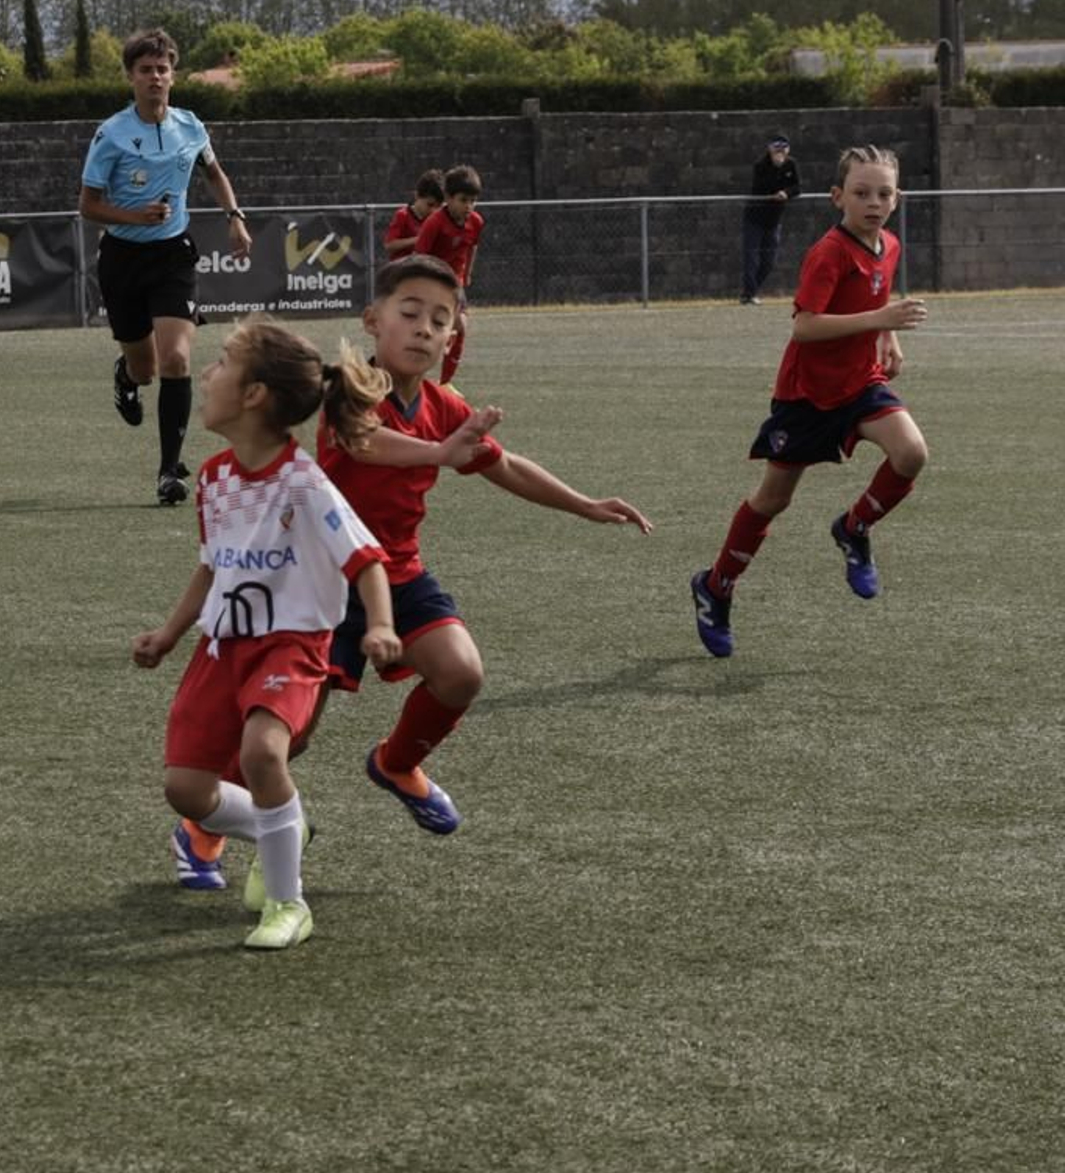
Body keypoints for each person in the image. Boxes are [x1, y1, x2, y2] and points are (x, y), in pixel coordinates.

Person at [314, 254, 653, 838]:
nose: (424, 328)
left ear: (453, 336)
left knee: (461, 673)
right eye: (410, 311)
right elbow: (363, 440)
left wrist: (586, 504)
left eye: (440, 320)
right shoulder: (348, 385)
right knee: (288, 732)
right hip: (320, 580)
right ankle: (210, 818)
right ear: (373, 319)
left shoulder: (444, 405)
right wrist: (439, 453)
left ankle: (396, 764)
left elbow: (506, 466)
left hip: (396, 573)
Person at [130, 319, 403, 952]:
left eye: (222, 362)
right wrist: (170, 634)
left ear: (255, 395)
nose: (207, 373)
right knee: (186, 788)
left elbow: (366, 559)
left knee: (261, 753)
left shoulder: (305, 484)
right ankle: (283, 825)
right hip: (220, 649)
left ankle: (288, 903)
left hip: (290, 646)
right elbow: (211, 564)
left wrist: (382, 625)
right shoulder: (214, 479)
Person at [692, 145, 928, 659]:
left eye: (884, 193)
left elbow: (873, 300)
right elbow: (805, 326)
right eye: (861, 193)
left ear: (898, 198)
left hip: (860, 384)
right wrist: (880, 322)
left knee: (911, 453)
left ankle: (854, 526)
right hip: (807, 395)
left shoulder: (888, 245)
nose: (874, 202)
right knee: (772, 500)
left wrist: (889, 338)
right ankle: (716, 585)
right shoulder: (828, 252)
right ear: (837, 197)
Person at [79, 27, 251, 508]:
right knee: (147, 368)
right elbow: (88, 205)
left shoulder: (191, 127)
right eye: (145, 70)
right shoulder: (111, 134)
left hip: (174, 255)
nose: (155, 77)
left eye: (162, 69)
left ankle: (167, 471)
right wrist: (133, 216)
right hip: (122, 259)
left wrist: (234, 217)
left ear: (172, 75)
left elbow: (214, 172)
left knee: (177, 358)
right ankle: (126, 377)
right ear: (131, 78)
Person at [412, 164, 484, 384]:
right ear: (448, 198)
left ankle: (445, 384)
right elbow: (419, 255)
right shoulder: (435, 223)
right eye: (463, 200)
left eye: (473, 200)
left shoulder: (476, 222)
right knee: (424, 331)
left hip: (455, 282)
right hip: (432, 282)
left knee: (461, 326)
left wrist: (467, 273)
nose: (469, 206)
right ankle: (411, 374)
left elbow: (472, 247)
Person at [741, 133, 803, 304]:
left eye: (783, 149)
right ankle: (749, 294)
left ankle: (751, 291)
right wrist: (777, 169)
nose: (780, 152)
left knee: (769, 261)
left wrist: (786, 193)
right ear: (769, 149)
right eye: (776, 149)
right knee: (751, 258)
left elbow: (797, 187)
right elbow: (759, 188)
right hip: (755, 218)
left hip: (774, 220)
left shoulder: (791, 164)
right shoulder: (761, 165)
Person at [384, 167, 445, 259]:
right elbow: (389, 245)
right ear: (417, 195)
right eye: (430, 205)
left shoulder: (436, 220)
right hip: (402, 270)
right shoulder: (403, 215)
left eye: (437, 207)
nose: (433, 211)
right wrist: (418, 239)